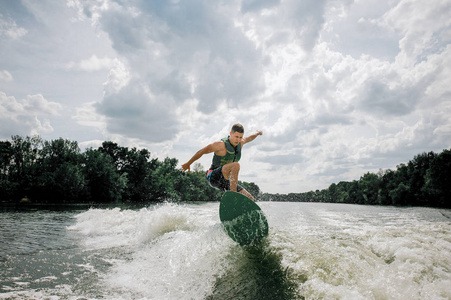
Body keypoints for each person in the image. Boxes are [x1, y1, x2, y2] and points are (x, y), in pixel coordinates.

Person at [182, 123, 263, 201]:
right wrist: (188, 163)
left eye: (240, 137)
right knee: (235, 165)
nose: (238, 139)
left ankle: (248, 212)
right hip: (213, 177)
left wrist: (257, 133)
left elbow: (249, 138)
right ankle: (233, 199)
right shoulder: (220, 145)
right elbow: (202, 151)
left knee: (250, 198)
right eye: (236, 137)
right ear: (231, 133)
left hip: (225, 181)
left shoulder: (241, 142)